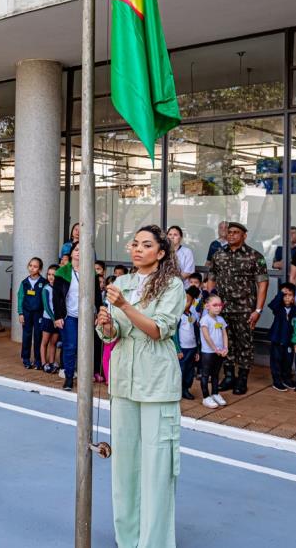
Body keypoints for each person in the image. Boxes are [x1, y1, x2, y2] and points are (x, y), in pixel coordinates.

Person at [95, 225, 183, 548]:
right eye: (134, 244)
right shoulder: (122, 283)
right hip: (123, 379)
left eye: (146, 245)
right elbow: (113, 334)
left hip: (157, 381)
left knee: (157, 466)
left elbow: (159, 330)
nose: (137, 249)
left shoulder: (173, 285)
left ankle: (153, 541)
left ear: (161, 252)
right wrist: (106, 325)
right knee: (125, 465)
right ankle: (128, 537)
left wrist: (123, 307)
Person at [210, 221, 269, 395]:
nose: (231, 235)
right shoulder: (218, 255)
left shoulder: (254, 256)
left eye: (236, 232)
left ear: (244, 235)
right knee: (225, 342)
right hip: (222, 310)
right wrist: (211, 304)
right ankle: (229, 376)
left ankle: (242, 379)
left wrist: (258, 310)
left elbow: (263, 284)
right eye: (229, 232)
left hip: (244, 310)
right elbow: (211, 279)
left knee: (245, 345)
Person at [52, 242, 103, 391]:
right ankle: (69, 377)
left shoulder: (91, 272)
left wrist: (99, 312)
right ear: (71, 252)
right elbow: (56, 297)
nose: (79, 252)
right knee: (71, 346)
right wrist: (57, 316)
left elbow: (97, 295)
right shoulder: (62, 272)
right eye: (76, 249)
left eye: (83, 249)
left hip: (87, 316)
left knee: (86, 347)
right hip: (69, 315)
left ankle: (84, 376)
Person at [267, 283, 296, 391]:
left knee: (288, 361)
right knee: (276, 361)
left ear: (294, 297)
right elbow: (272, 305)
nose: (287, 297)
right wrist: (280, 294)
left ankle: (286, 379)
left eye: (290, 295)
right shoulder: (278, 308)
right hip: (277, 339)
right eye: (284, 295)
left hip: (289, 341)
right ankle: (277, 381)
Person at [197, 293, 229, 409]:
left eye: (220, 305)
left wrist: (225, 348)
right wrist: (215, 349)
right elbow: (207, 337)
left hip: (219, 352)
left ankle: (215, 393)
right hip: (208, 352)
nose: (218, 307)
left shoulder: (220, 319)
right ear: (207, 306)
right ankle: (206, 397)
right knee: (205, 374)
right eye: (215, 305)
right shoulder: (205, 320)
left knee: (216, 374)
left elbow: (224, 334)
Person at [17, 257, 48, 369]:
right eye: (30, 266)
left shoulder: (44, 282)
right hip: (26, 313)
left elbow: (46, 300)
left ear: (40, 269)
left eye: (35, 267)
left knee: (38, 336)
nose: (32, 268)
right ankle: (25, 358)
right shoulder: (24, 283)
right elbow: (20, 298)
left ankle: (38, 360)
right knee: (26, 335)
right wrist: (20, 313)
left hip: (39, 314)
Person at [176, 282, 201, 400]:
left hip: (192, 348)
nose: (184, 303)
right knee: (181, 369)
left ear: (192, 302)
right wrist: (177, 349)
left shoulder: (192, 316)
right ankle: (178, 390)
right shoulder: (178, 317)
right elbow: (174, 334)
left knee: (190, 370)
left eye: (187, 301)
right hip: (182, 349)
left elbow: (196, 333)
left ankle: (186, 388)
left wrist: (197, 350)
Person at [40, 264, 60, 374]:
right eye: (49, 274)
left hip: (57, 320)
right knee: (45, 342)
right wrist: (53, 319)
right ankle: (44, 363)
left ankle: (52, 362)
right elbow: (46, 307)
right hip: (48, 319)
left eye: (53, 275)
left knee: (54, 342)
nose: (51, 277)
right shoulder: (46, 289)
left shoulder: (60, 288)